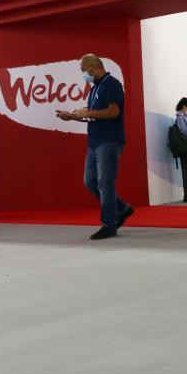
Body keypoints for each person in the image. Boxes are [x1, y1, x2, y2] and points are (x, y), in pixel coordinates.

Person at [56, 54, 135, 240]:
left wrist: (87, 112)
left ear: (93, 67)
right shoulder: (94, 89)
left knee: (104, 182)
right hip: (94, 142)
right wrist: (73, 116)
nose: (83, 73)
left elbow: (113, 111)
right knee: (90, 181)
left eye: (83, 69)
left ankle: (109, 224)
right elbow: (93, 116)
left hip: (109, 141)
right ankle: (122, 209)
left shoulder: (112, 84)